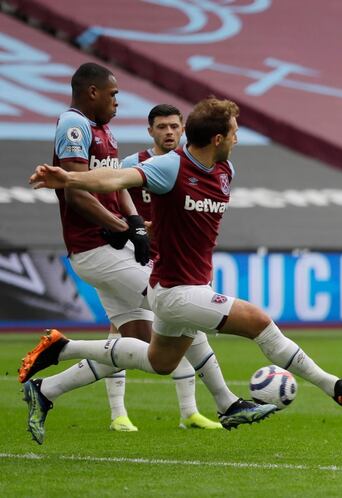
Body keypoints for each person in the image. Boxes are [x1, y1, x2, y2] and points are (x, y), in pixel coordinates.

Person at [21, 96, 342, 444]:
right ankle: (333, 386)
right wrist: (68, 178)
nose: (237, 138)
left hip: (192, 285)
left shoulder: (225, 171)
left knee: (160, 361)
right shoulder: (171, 166)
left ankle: (60, 355)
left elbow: (186, 222)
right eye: (234, 132)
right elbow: (115, 179)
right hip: (176, 291)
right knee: (260, 322)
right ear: (218, 139)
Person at [26, 63, 223, 441]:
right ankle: (227, 401)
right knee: (179, 304)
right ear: (93, 92)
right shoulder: (74, 125)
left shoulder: (105, 132)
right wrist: (122, 229)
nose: (118, 101)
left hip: (112, 247)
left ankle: (46, 390)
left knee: (141, 345)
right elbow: (76, 190)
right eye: (113, 94)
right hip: (96, 249)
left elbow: (116, 187)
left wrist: (133, 226)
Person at [104, 104, 238, 432]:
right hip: (133, 257)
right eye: (161, 126)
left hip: (169, 261)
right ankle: (118, 412)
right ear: (150, 131)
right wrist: (130, 226)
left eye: (174, 126)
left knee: (174, 331)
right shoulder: (135, 165)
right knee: (124, 330)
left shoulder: (192, 165)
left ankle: (191, 411)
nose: (168, 132)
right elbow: (109, 197)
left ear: (183, 130)